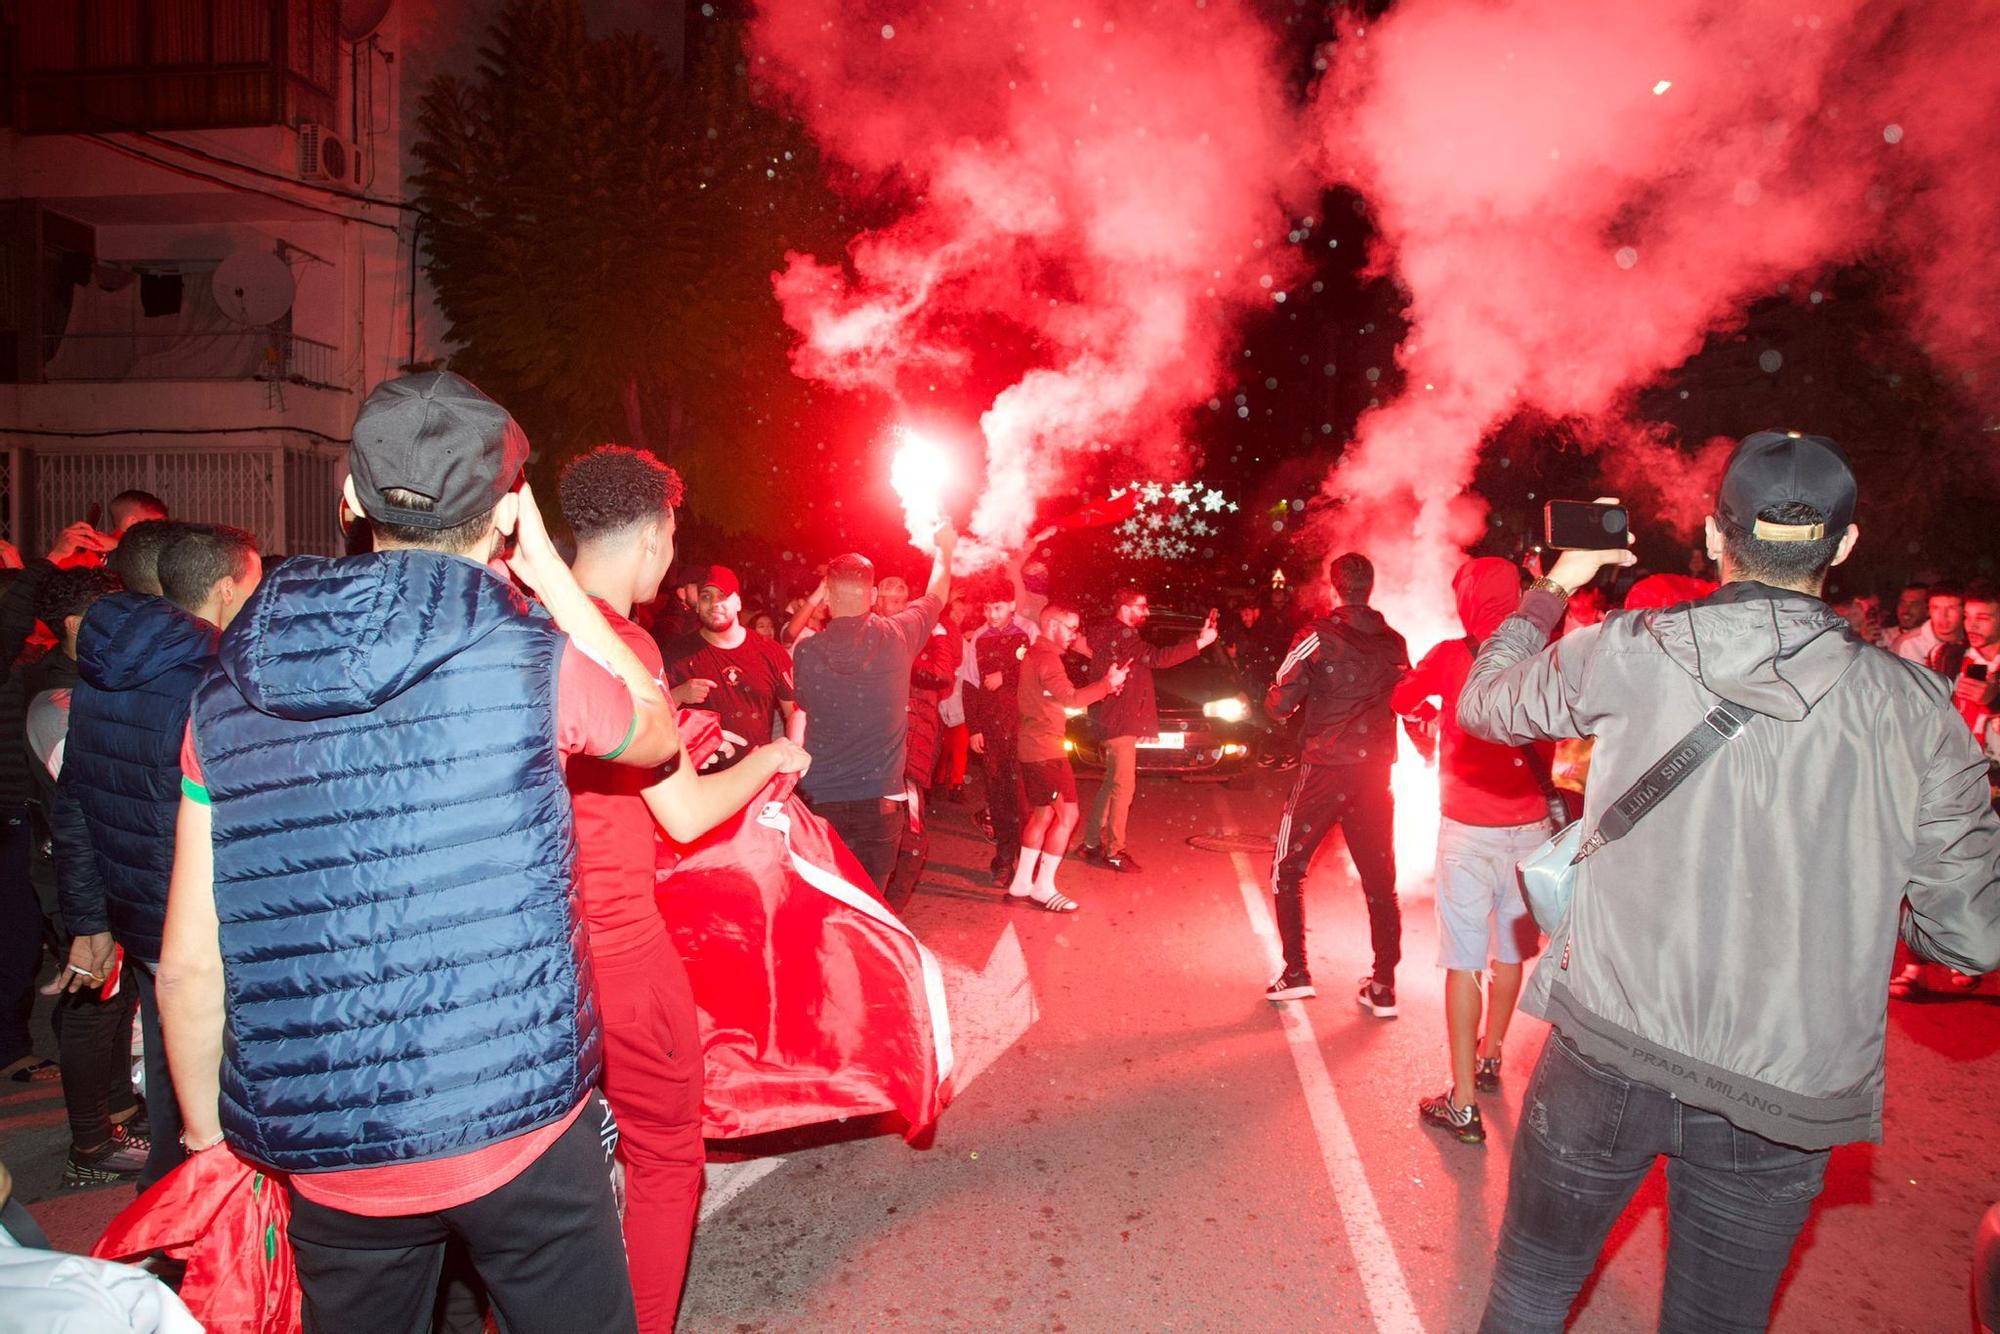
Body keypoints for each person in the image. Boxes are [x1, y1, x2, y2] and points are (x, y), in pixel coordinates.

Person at [157, 371, 686, 1334]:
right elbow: (656, 734)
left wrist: (207, 1142)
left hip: (329, 1144)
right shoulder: (537, 662)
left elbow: (192, 965)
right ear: (506, 514)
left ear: (349, 498)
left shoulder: (224, 692)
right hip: (521, 1123)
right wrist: (553, 575)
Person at [1458, 434, 2000, 1331]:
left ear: (1716, 536)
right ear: (1846, 545)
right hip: (1782, 1095)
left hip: (1609, 1048)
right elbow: (1973, 939)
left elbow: (1487, 701)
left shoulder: (1632, 648)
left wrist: (1555, 582)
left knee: (1531, 1292)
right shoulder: (1917, 709)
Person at [559, 444, 810, 1331]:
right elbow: (687, 813)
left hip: (530, 955)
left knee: (543, 1186)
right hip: (619, 950)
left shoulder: (513, 622)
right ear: (655, 538)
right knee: (666, 1154)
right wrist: (776, 755)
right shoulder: (623, 646)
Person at [53, 524, 261, 1191]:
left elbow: (75, 801)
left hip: (141, 916)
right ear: (227, 589)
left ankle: (171, 1214)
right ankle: (215, 1234)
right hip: (204, 924)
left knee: (176, 1082)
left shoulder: (104, 668)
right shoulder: (212, 677)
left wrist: (92, 919)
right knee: (223, 1093)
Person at [1392, 558, 1557, 1146]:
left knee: (1463, 959)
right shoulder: (1546, 650)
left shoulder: (1452, 654)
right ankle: (1492, 1054)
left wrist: (1429, 715)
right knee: (1508, 947)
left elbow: (1401, 696)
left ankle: (1462, 1102)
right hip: (1532, 825)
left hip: (1467, 826)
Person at [24, 567, 150, 1187]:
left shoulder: (89, 684)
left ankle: (118, 1113)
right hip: (76, 879)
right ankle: (89, 1145)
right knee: (90, 1005)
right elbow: (95, 790)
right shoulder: (56, 698)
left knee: (112, 999)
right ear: (77, 625)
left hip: (99, 874)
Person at [1263, 554, 1409, 1011]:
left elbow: (1279, 697)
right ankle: (1384, 984)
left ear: (1334, 587)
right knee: (1380, 881)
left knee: (1286, 867)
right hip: (1375, 772)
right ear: (1370, 586)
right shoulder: (1395, 643)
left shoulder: (1316, 636)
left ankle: (1296, 972)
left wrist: (1282, 704)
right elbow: (1407, 699)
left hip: (1327, 768)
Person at [792, 526, 954, 893]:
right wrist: (945, 550)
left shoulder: (807, 652)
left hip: (822, 801)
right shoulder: (898, 636)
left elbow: (804, 706)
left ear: (828, 595)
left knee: (828, 905)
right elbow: (937, 595)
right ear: (875, 593)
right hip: (879, 804)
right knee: (869, 905)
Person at [1079, 587, 1216, 872]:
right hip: (1118, 720)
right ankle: (1115, 851)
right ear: (1125, 609)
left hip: (1110, 717)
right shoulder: (1122, 634)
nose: (1146, 611)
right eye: (1141, 606)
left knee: (1111, 782)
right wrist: (1200, 643)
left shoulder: (1110, 632)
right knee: (1124, 786)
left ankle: (1090, 843)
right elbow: (1157, 658)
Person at [1007, 604, 1128, 912]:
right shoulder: (1047, 660)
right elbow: (1070, 698)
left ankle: (1022, 882)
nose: (1075, 636)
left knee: (1042, 815)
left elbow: (1056, 699)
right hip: (1046, 750)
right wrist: (1106, 686)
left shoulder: (1035, 654)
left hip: (1032, 747)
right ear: (1052, 625)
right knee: (1068, 816)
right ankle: (1043, 888)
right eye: (1071, 628)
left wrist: (1104, 686)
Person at [665, 565, 804, 771]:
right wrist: (679, 694)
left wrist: (793, 750)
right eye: (705, 597)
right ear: (697, 606)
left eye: (723, 595)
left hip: (757, 778)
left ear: (738, 602)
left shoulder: (770, 652)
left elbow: (794, 711)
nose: (714, 603)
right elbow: (651, 717)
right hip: (700, 782)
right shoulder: (676, 653)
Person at [878, 575, 962, 910]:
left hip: (909, 753)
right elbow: (941, 673)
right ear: (876, 602)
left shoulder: (910, 639)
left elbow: (944, 678)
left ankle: (881, 908)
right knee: (910, 840)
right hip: (898, 757)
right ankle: (888, 911)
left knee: (893, 836)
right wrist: (939, 635)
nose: (897, 607)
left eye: (903, 601)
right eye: (890, 600)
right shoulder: (886, 641)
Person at [961, 573, 1037, 885]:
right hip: (991, 729)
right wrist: (975, 728)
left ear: (1012, 605)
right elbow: (969, 685)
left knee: (1023, 797)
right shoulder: (980, 637)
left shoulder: (1029, 632)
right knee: (998, 795)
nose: (992, 615)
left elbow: (1038, 674)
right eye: (988, 609)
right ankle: (1005, 858)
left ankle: (1028, 858)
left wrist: (1006, 675)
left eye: (998, 608)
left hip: (1022, 726)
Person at [1897, 580, 1964, 666]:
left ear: (1963, 610)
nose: (1943, 615)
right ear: (1928, 610)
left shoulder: (1974, 640)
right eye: (1936, 608)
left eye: (1951, 608)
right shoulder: (1910, 644)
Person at [1884, 581, 1929, 653]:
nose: (1906, 609)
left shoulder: (1932, 642)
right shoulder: (1882, 637)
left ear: (1928, 610)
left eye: (1914, 604)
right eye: (1902, 603)